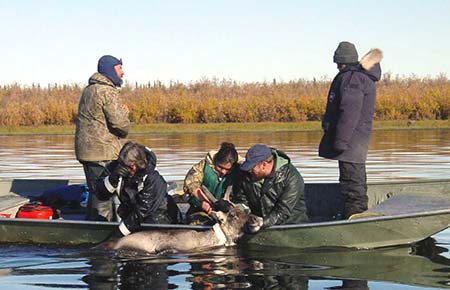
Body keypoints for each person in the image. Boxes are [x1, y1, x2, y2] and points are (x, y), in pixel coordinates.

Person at [318, 41, 383, 219]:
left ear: (341, 61)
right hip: (354, 141)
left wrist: (340, 142)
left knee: (352, 184)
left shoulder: (351, 78)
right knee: (353, 181)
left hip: (350, 142)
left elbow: (349, 111)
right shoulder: (358, 77)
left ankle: (356, 219)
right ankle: (355, 215)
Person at [75, 55, 130, 221]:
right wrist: (125, 114)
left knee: (95, 193)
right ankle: (101, 235)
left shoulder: (88, 90)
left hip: (87, 152)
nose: (123, 72)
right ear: (110, 70)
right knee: (104, 195)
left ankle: (90, 229)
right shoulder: (108, 91)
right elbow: (121, 126)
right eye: (120, 68)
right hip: (103, 153)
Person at [96, 141, 180, 236]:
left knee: (151, 222)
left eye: (130, 167)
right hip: (131, 214)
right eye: (123, 165)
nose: (126, 170)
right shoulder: (115, 169)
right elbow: (100, 195)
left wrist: (119, 233)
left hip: (159, 217)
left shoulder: (153, 179)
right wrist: (112, 179)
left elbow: (142, 210)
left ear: (139, 164)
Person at [232, 144, 308, 234]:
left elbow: (283, 211)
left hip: (291, 225)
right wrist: (242, 214)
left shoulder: (292, 178)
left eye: (252, 167)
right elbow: (241, 199)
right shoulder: (247, 175)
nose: (249, 170)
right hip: (256, 224)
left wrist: (262, 223)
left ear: (264, 164)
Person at [183, 142, 242, 225]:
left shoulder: (240, 170)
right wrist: (203, 202)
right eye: (220, 167)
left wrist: (230, 206)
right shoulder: (202, 166)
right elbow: (191, 184)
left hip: (230, 212)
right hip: (201, 210)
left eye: (227, 169)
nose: (223, 171)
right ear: (216, 161)